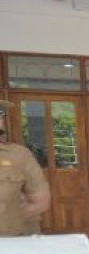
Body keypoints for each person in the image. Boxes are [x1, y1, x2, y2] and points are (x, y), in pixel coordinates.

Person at [0, 99, 50, 237]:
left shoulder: (19, 155)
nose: (0, 118)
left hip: (14, 239)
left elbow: (40, 202)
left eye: (1, 114)